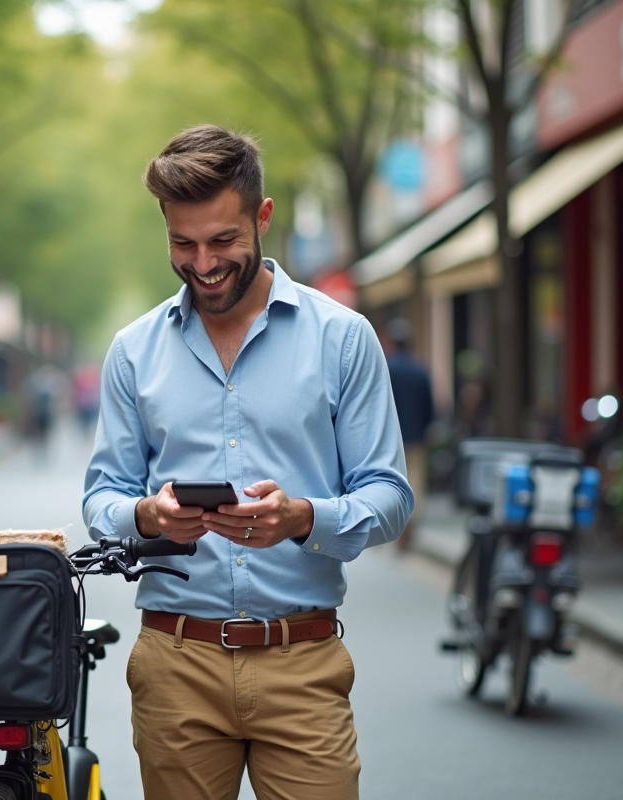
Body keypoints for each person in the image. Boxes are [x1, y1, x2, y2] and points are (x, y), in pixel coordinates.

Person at [82, 125, 412, 800]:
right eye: (183, 243)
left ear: (263, 218)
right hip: (175, 665)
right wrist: (148, 515)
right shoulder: (133, 350)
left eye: (223, 240)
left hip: (303, 662)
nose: (203, 263)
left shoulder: (343, 339)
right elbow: (102, 499)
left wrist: (300, 518)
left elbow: (389, 496)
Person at [384, 318, 434, 551]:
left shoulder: (387, 367)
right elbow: (430, 407)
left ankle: (392, 527)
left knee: (389, 481)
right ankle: (408, 527)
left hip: (390, 438)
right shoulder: (420, 369)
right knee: (415, 484)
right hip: (415, 438)